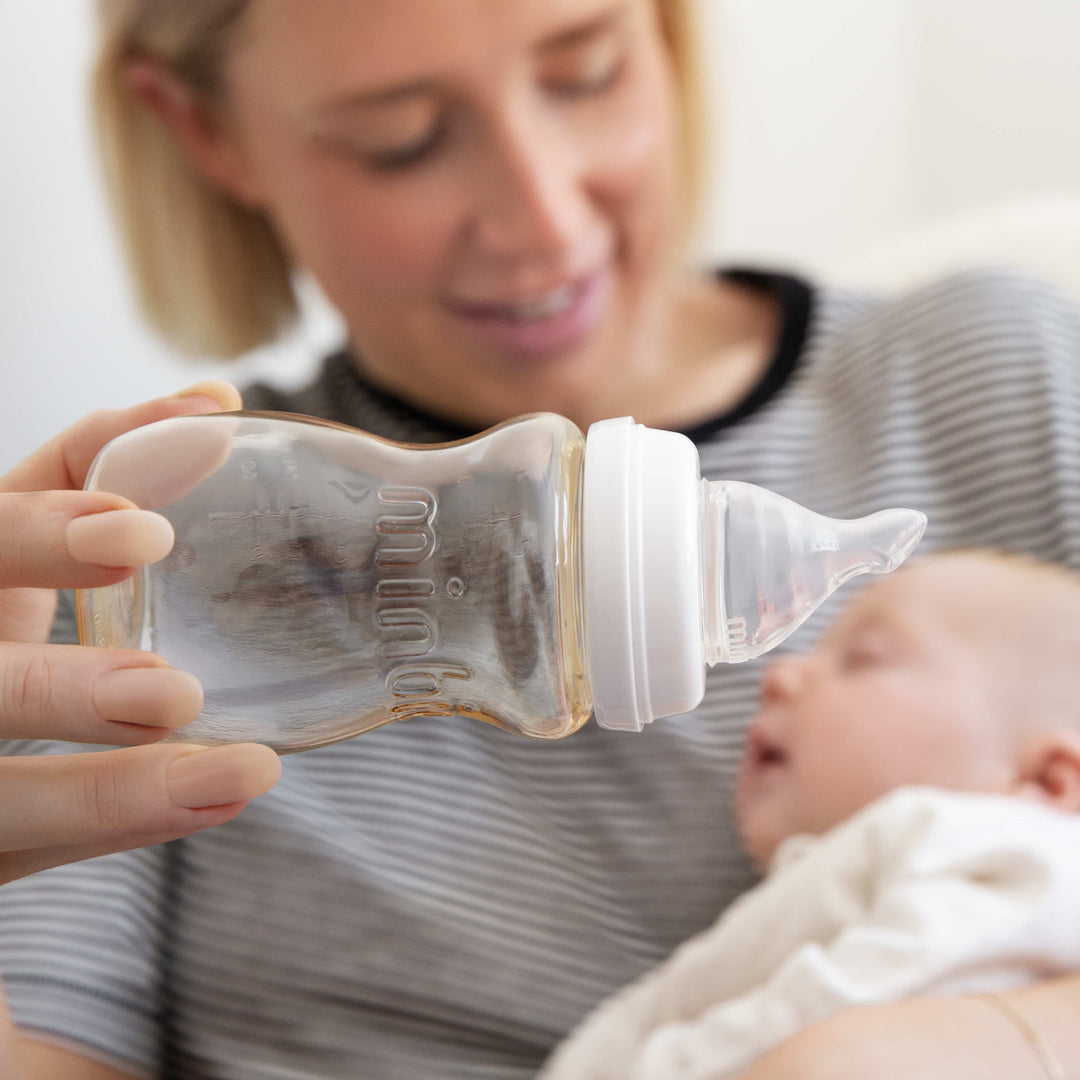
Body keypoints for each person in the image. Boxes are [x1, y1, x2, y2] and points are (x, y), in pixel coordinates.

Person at [1, 1, 1080, 1078]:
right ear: (206, 130)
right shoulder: (140, 564)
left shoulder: (994, 383)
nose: (545, 220)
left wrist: (956, 1045)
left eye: (586, 72)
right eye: (402, 138)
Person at [539, 549, 1080, 1080]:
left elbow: (863, 1006)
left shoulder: (1007, 851)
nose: (778, 675)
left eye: (861, 659)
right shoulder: (884, 866)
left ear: (1046, 780)